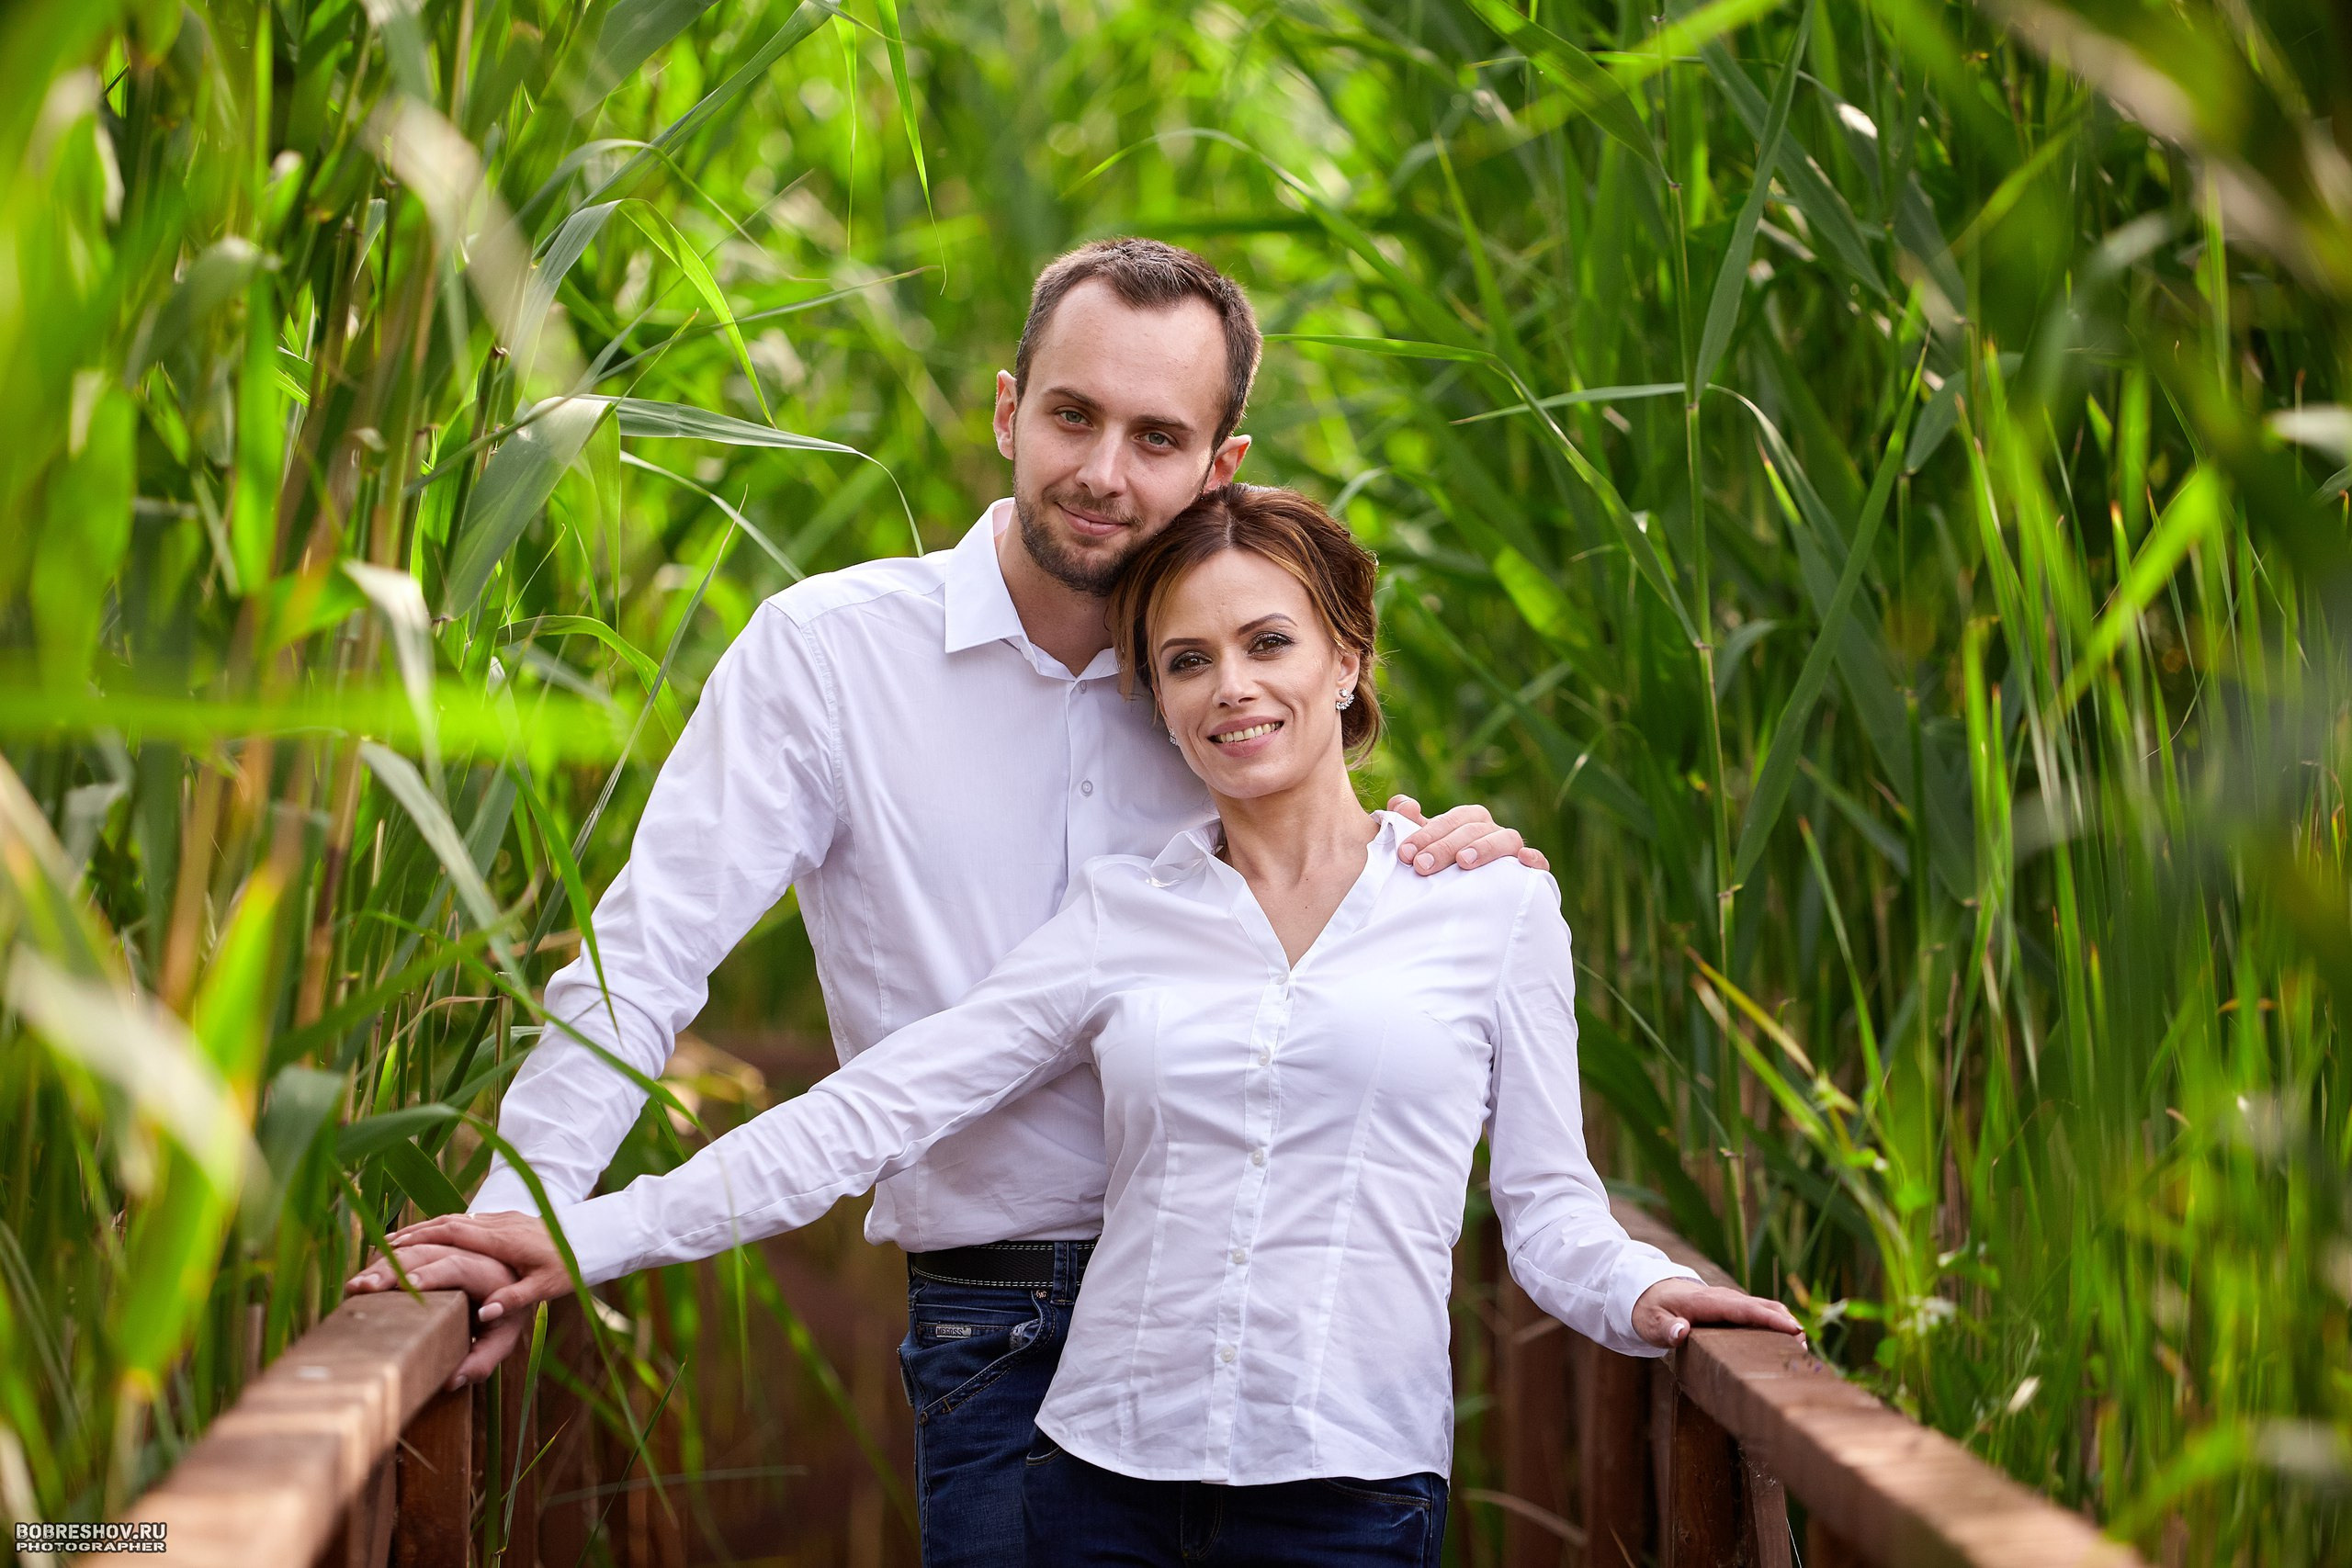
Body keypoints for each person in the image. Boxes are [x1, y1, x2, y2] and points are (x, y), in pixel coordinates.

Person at [349, 240, 1543, 1568]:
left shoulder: (1229, 688)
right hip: (1000, 1312)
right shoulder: (831, 656)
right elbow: (647, 952)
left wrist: (1453, 846)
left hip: (1274, 1322)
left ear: (1222, 469)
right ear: (1005, 411)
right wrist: (528, 1211)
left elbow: (1338, 896)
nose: (1101, 472)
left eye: (1158, 437)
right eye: (1071, 415)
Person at [366, 484, 1805, 1568]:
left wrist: (1648, 1297)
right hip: (1095, 1476)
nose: (1231, 687)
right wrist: (578, 1232)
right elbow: (880, 1106)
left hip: (1356, 1490)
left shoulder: (1490, 909)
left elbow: (1547, 1212)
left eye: (1267, 643)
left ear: (1350, 658)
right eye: (1185, 663)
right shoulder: (1129, 914)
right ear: (1158, 704)